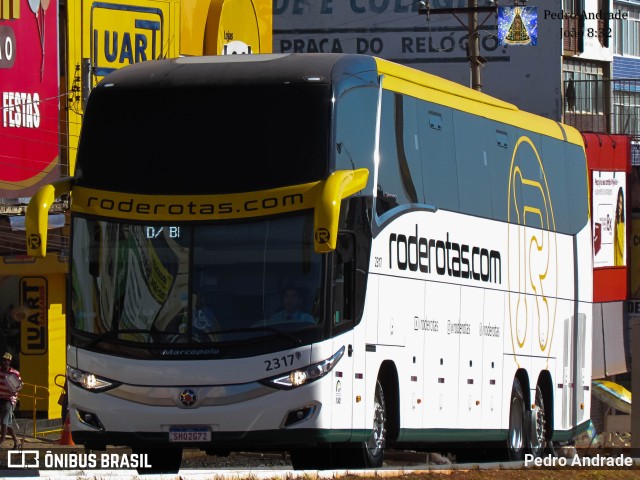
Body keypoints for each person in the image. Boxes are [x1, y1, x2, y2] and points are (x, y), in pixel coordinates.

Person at [0, 352, 22, 449]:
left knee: (4, 421)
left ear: (9, 362)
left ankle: (1, 442)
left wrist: (15, 388)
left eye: (7, 361)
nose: (5, 362)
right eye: (4, 360)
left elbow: (19, 387)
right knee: (8, 423)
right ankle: (16, 440)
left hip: (10, 399)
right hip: (1, 397)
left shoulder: (15, 373)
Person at [613, 186, 625, 267]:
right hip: (616, 264)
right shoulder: (616, 222)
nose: (619, 206)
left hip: (621, 264)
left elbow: (622, 249)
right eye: (618, 203)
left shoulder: (622, 224)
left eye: (621, 203)